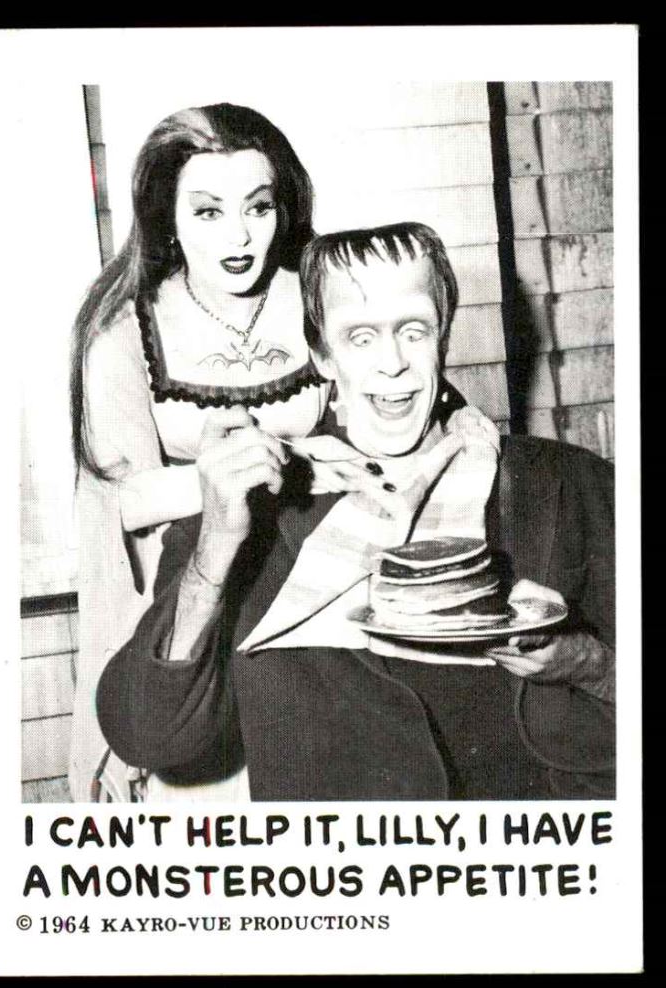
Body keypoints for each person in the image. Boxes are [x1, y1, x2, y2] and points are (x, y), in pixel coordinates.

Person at [97, 222, 615, 801]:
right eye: (360, 337)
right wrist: (214, 552)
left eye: (414, 331)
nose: (392, 363)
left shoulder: (565, 483)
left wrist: (589, 664)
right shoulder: (247, 512)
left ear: (444, 336)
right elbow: (150, 738)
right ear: (321, 354)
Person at [70, 103, 334, 802]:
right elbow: (117, 506)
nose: (239, 236)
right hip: (199, 603)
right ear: (168, 218)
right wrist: (222, 481)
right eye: (209, 212)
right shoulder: (125, 329)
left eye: (258, 207)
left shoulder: (322, 294)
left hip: (317, 606)